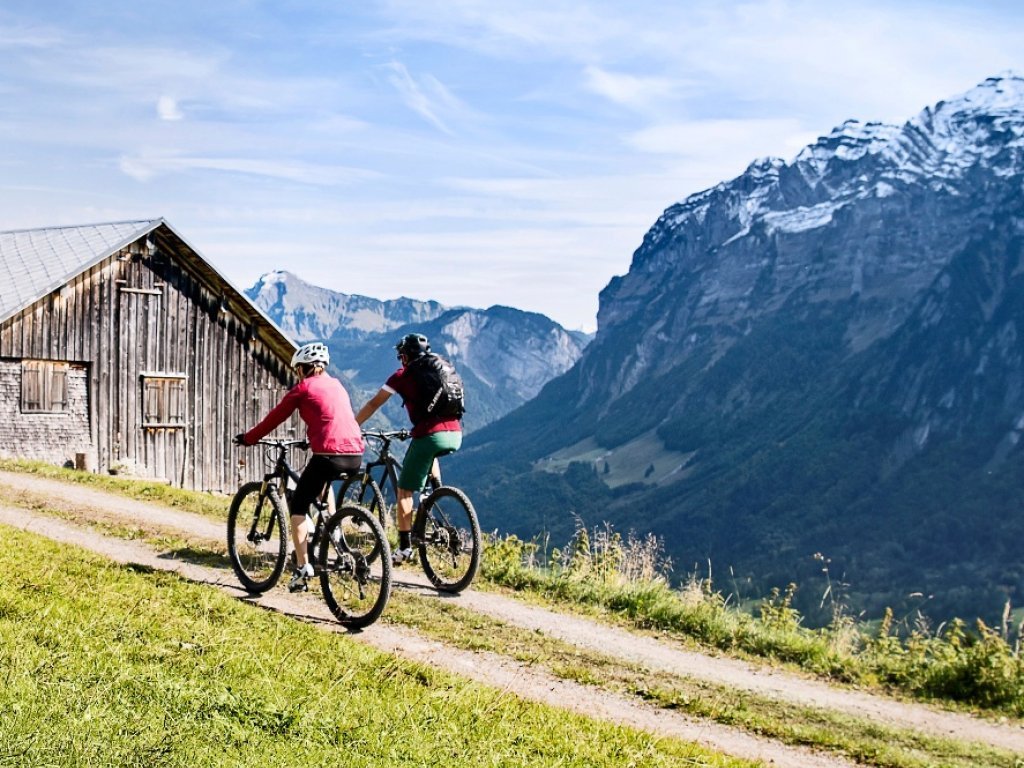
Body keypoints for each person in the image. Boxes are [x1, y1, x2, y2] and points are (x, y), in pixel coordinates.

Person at [234, 342, 364, 592]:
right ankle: (333, 527)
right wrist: (310, 439)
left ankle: (302, 569)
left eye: (298, 369)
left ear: (305, 368)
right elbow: (330, 417)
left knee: (298, 508)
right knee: (322, 484)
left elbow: (275, 417)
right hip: (355, 454)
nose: (297, 374)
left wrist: (249, 438)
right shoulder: (337, 385)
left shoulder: (303, 388)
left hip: (328, 454)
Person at [355, 333, 462, 565]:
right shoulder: (440, 370)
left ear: (405, 356)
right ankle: (433, 492)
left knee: (404, 491)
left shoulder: (403, 375)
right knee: (426, 454)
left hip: (431, 435)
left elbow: (374, 403)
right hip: (455, 434)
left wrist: (353, 425)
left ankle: (404, 548)